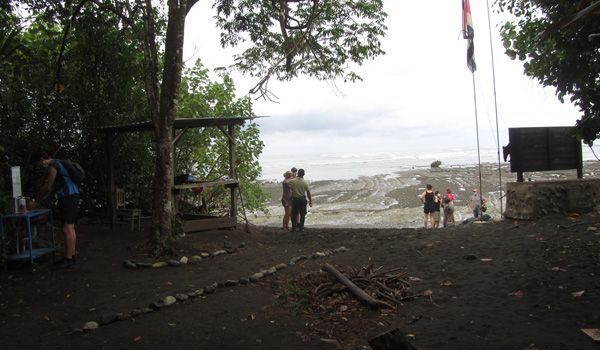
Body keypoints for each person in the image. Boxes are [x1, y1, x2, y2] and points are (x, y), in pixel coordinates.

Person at [30, 151, 80, 268]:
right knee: (70, 227)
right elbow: (52, 189)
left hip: (68, 197)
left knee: (67, 228)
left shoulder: (53, 165)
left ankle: (68, 259)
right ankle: (71, 257)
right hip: (72, 196)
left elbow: (48, 186)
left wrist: (36, 201)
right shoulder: (58, 163)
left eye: (38, 164)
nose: (39, 167)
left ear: (42, 159)